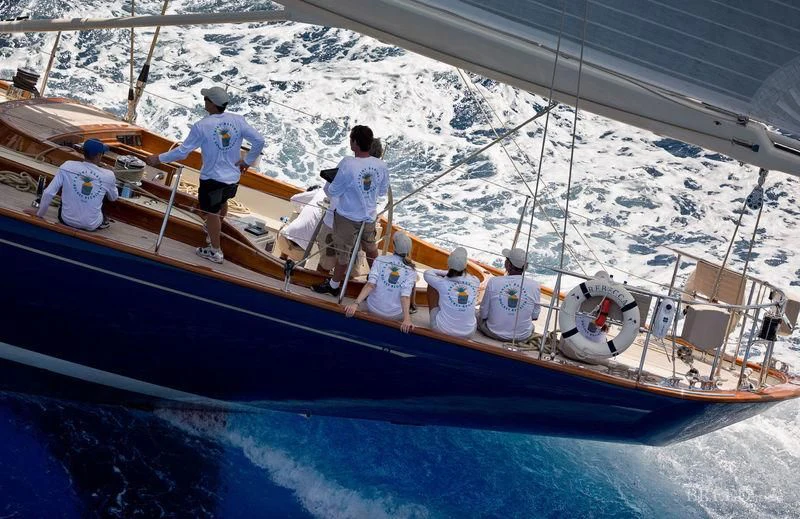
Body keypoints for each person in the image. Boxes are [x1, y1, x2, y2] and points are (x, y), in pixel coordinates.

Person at [144, 86, 265, 264]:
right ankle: (213, 231)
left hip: (212, 179)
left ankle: (215, 250)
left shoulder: (202, 126)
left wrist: (158, 159)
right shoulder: (238, 120)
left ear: (212, 104)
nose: (204, 102)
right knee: (222, 203)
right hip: (233, 177)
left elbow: (183, 152)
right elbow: (259, 140)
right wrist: (247, 162)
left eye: (206, 99)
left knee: (212, 212)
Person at [312, 126, 389, 295]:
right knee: (370, 249)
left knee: (343, 254)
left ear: (355, 143)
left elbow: (332, 191)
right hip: (368, 217)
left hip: (347, 217)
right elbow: (382, 191)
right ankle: (381, 281)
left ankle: (333, 286)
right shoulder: (381, 165)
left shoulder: (348, 163)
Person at [24, 139, 118, 231]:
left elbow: (49, 192)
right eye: (102, 154)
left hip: (66, 220)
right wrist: (111, 177)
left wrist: (39, 214)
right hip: (91, 225)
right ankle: (102, 220)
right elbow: (113, 198)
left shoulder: (67, 165)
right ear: (99, 155)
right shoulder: (108, 175)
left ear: (83, 152)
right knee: (105, 191)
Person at [344, 232, 416, 333]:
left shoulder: (380, 260)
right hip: (394, 315)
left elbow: (370, 285)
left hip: (373, 309)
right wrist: (407, 319)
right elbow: (405, 296)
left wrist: (355, 304)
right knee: (412, 284)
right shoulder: (411, 270)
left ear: (393, 246)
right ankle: (413, 307)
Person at [478, 247, 541, 342]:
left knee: (475, 315)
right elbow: (534, 317)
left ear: (507, 264)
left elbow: (483, 314)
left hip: (493, 332)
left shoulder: (494, 281)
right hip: (521, 336)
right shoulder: (535, 286)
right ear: (526, 267)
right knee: (531, 326)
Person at [423, 247, 480, 338]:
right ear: (465, 265)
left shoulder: (442, 282)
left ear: (448, 264)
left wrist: (447, 272)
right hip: (469, 333)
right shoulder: (475, 281)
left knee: (432, 285)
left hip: (442, 330)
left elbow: (427, 272)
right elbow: (468, 276)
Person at [276, 185, 326, 262]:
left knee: (286, 225)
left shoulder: (319, 191)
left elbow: (294, 199)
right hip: (301, 255)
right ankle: (295, 266)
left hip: (283, 243)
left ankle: (283, 257)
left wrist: (302, 211)